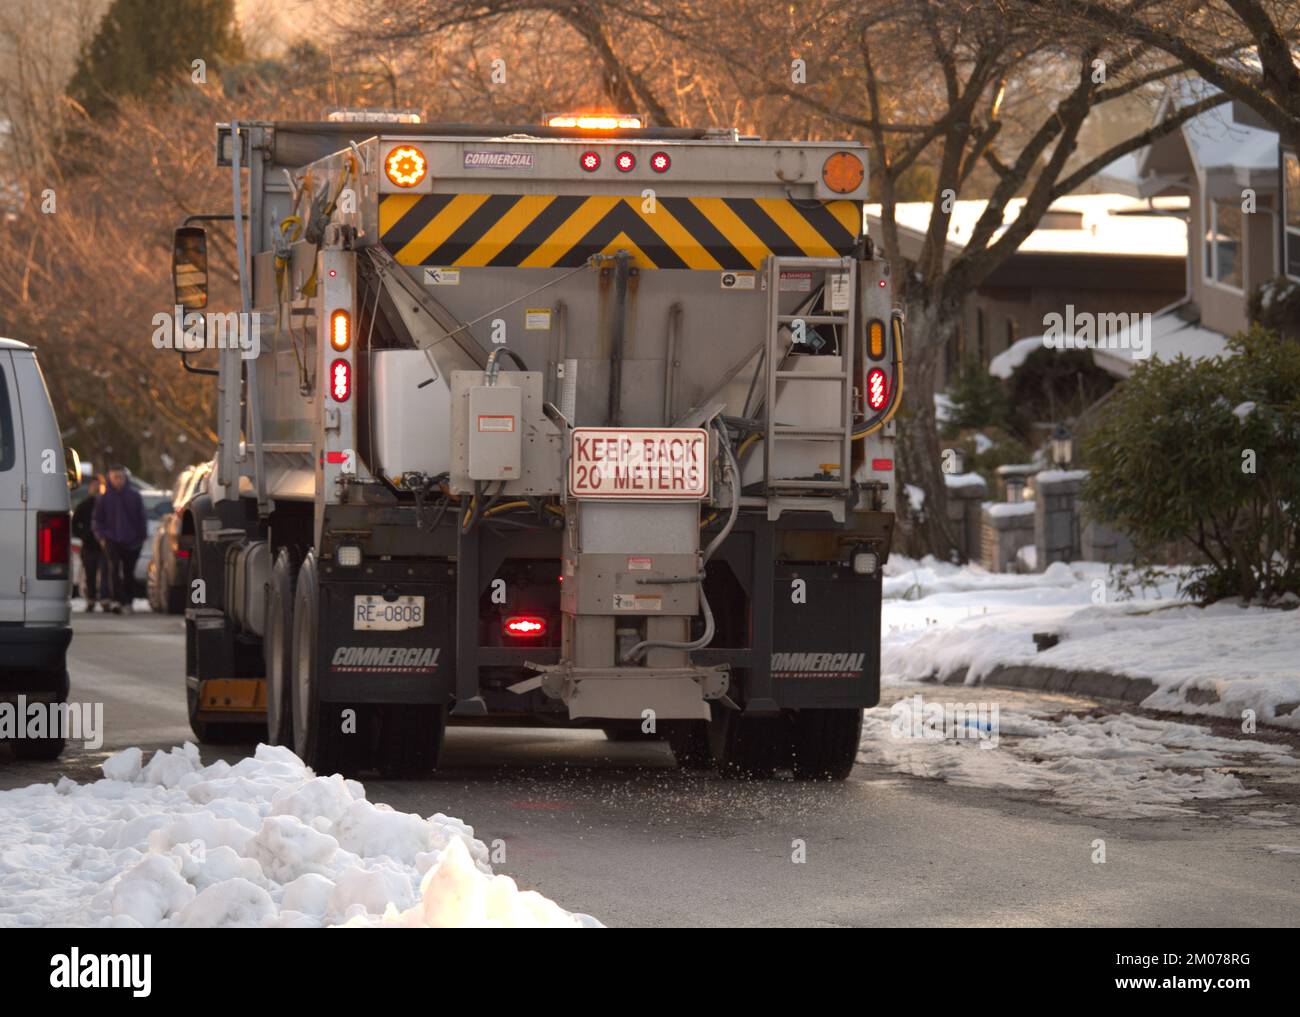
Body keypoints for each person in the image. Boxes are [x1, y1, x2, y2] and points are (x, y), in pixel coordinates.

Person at [92, 465, 147, 614]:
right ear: (110, 478)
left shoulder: (134, 496)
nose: (118, 480)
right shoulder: (104, 498)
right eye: (115, 477)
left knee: (129, 572)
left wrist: (141, 538)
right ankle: (116, 600)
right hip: (111, 540)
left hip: (132, 541)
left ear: (125, 478)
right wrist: (102, 536)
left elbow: (141, 519)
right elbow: (97, 520)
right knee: (113, 570)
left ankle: (128, 601)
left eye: (120, 477)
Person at [71, 475, 109, 610]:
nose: (97, 488)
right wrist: (83, 536)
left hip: (105, 545)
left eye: (99, 486)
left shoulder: (108, 505)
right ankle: (91, 599)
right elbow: (75, 524)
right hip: (89, 545)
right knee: (90, 574)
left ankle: (105, 599)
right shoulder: (84, 506)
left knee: (106, 574)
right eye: (94, 486)